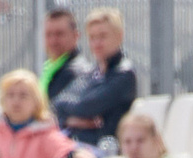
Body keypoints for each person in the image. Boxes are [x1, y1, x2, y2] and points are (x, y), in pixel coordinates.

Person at [53, 8, 137, 144]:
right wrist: (69, 119)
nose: (97, 43)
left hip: (104, 147)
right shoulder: (91, 73)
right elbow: (56, 104)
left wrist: (70, 113)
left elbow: (84, 107)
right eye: (92, 37)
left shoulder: (124, 74)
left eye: (103, 36)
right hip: (76, 142)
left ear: (119, 36)